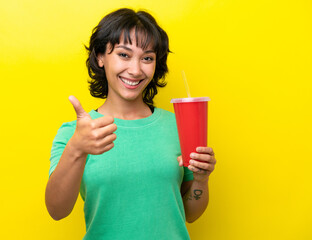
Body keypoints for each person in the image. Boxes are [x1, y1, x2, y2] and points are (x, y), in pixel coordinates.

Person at [45, 8, 217, 240]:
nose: (135, 70)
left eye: (147, 58)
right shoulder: (74, 134)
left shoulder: (178, 125)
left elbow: (190, 214)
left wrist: (201, 180)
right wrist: (76, 148)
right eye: (124, 55)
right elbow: (57, 210)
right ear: (100, 57)